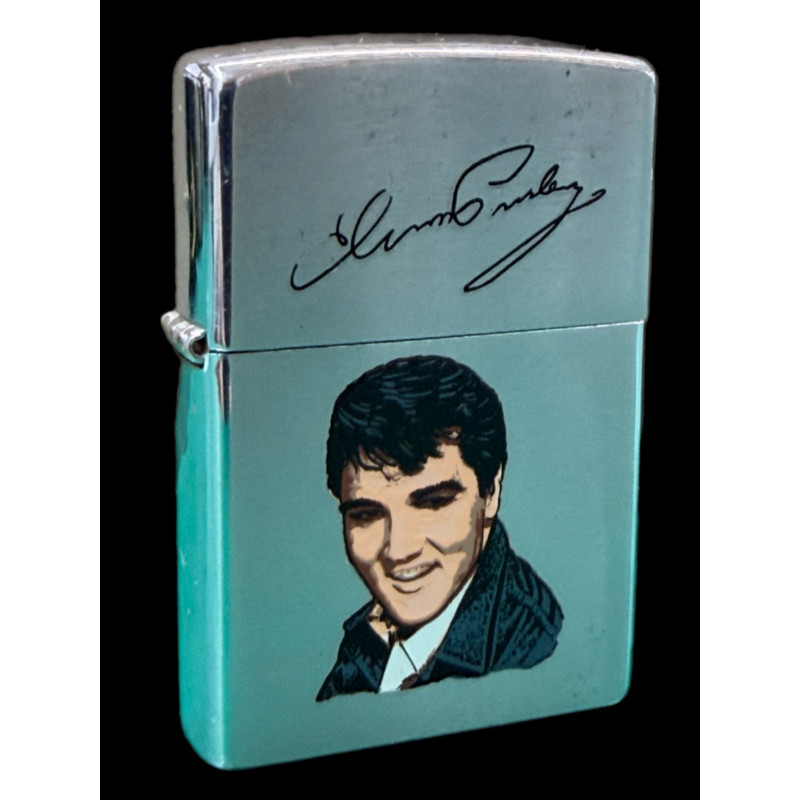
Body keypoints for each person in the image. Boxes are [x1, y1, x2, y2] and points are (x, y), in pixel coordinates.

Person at [317, 355, 563, 701]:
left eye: (433, 503)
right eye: (367, 515)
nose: (399, 549)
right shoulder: (367, 636)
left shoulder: (532, 644)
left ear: (491, 492)